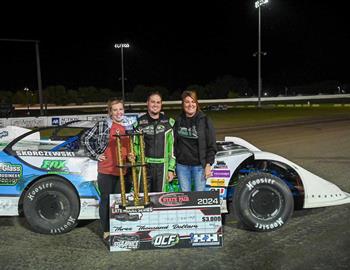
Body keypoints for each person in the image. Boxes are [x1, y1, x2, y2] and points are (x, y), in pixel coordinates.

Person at [81, 98, 134, 242]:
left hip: (123, 171)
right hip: (106, 170)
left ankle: (118, 228)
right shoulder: (103, 124)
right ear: (110, 111)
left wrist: (131, 155)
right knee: (106, 200)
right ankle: (106, 230)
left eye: (121, 109)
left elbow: (131, 145)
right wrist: (96, 155)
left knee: (118, 202)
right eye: (115, 110)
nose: (118, 112)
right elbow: (85, 139)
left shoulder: (128, 125)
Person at [174, 90, 217, 191]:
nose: (190, 105)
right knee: (186, 197)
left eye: (193, 102)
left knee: (199, 197)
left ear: (197, 104)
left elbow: (212, 145)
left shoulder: (205, 120)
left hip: (199, 166)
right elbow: (174, 143)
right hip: (182, 166)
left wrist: (208, 165)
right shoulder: (178, 120)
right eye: (187, 102)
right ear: (183, 104)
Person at [133, 92, 175, 192]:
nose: (155, 105)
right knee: (144, 199)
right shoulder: (138, 124)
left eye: (158, 102)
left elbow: (173, 148)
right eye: (152, 102)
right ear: (147, 103)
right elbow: (135, 148)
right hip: (144, 167)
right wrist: (136, 164)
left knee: (160, 200)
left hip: (162, 167)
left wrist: (171, 169)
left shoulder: (169, 123)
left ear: (161, 104)